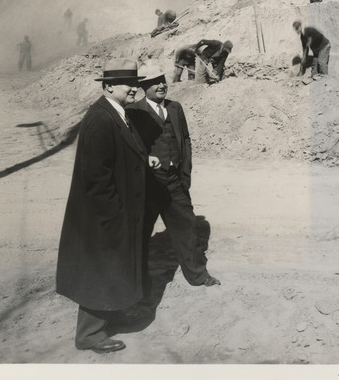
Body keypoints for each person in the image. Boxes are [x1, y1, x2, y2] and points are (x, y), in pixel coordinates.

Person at [55, 59, 148, 354]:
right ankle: (89, 334)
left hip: (117, 211)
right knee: (100, 268)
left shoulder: (117, 113)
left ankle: (114, 312)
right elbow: (96, 176)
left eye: (135, 83)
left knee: (114, 266)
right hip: (104, 215)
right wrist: (114, 214)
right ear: (108, 87)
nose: (134, 88)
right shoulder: (101, 118)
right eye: (127, 84)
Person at [127, 63, 221, 294]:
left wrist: (184, 175)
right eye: (153, 82)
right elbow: (129, 149)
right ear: (143, 87)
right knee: (139, 234)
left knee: (187, 227)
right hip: (149, 185)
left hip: (174, 182)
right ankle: (136, 284)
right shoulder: (133, 112)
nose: (161, 85)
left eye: (162, 80)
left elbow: (185, 141)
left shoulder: (175, 108)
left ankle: (198, 276)